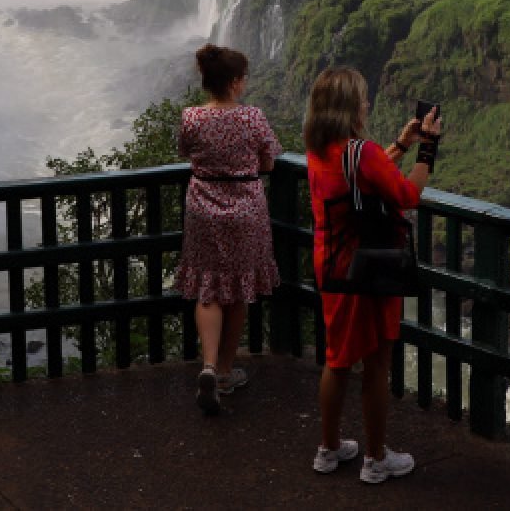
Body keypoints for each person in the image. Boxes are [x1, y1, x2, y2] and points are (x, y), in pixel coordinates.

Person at [303, 68, 441, 484]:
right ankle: (376, 459)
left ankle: (328, 450)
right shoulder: (360, 152)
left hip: (332, 262)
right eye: (362, 99)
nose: (367, 105)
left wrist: (399, 145)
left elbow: (359, 175)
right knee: (377, 361)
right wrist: (427, 149)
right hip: (370, 262)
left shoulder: (319, 147)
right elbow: (407, 195)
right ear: (349, 107)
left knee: (337, 358)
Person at [174, 44, 283, 415]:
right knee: (237, 288)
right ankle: (223, 371)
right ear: (236, 83)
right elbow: (269, 160)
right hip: (245, 210)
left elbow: (184, 151)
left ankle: (207, 364)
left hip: (202, 206)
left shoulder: (192, 117)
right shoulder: (253, 118)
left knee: (208, 286)